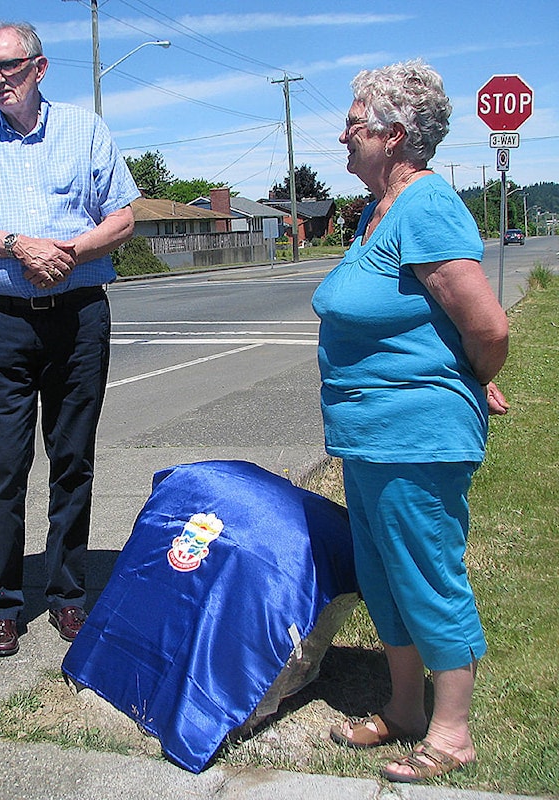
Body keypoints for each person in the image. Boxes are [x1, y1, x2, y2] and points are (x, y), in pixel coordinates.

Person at [312, 60, 509, 782]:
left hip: (416, 437)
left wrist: (469, 381)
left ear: (394, 136)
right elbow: (423, 318)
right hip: (371, 438)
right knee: (384, 575)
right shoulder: (377, 211)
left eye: (354, 123)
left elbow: (486, 328)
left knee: (426, 575)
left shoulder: (426, 207)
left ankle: (452, 735)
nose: (343, 135)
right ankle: (403, 709)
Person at [0, 22, 139, 657]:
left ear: (40, 67)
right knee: (3, 464)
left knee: (72, 459)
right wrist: (17, 245)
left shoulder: (86, 130)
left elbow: (123, 217)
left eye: (10, 66)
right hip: (2, 321)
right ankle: (1, 603)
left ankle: (68, 594)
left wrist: (70, 252)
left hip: (78, 315)